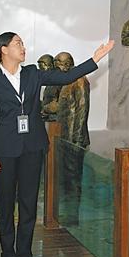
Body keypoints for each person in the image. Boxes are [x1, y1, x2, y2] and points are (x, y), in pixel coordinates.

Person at [0, 32, 114, 257]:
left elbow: (67, 76)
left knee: (29, 204)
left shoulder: (33, 73)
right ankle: (7, 255)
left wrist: (94, 59)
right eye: (18, 43)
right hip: (5, 150)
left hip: (33, 148)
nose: (23, 47)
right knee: (5, 205)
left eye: (22, 43)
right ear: (4, 50)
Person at [54, 51, 91, 226]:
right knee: (66, 179)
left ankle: (73, 216)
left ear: (68, 64)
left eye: (59, 66)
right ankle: (67, 213)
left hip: (74, 140)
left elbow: (82, 110)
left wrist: (76, 140)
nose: (57, 70)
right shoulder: (65, 82)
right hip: (64, 138)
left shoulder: (80, 80)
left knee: (73, 179)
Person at [37, 54, 60, 122]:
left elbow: (58, 105)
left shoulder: (59, 81)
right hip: (47, 119)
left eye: (42, 68)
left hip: (55, 121)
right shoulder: (49, 82)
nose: (41, 71)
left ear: (50, 66)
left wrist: (45, 108)